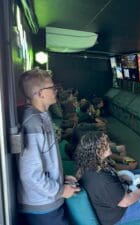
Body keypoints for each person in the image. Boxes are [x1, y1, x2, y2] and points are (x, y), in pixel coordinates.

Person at [17, 68, 80, 225]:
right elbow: (30, 174)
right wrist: (60, 190)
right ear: (40, 93)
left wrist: (61, 178)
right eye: (52, 87)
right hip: (41, 206)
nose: (56, 90)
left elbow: (44, 162)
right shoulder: (33, 123)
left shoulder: (42, 116)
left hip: (48, 201)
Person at [74, 132, 140, 225]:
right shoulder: (102, 179)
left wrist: (119, 178)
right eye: (104, 144)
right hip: (117, 216)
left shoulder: (89, 166)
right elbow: (125, 201)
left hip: (108, 210)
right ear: (96, 151)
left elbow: (108, 186)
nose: (108, 144)